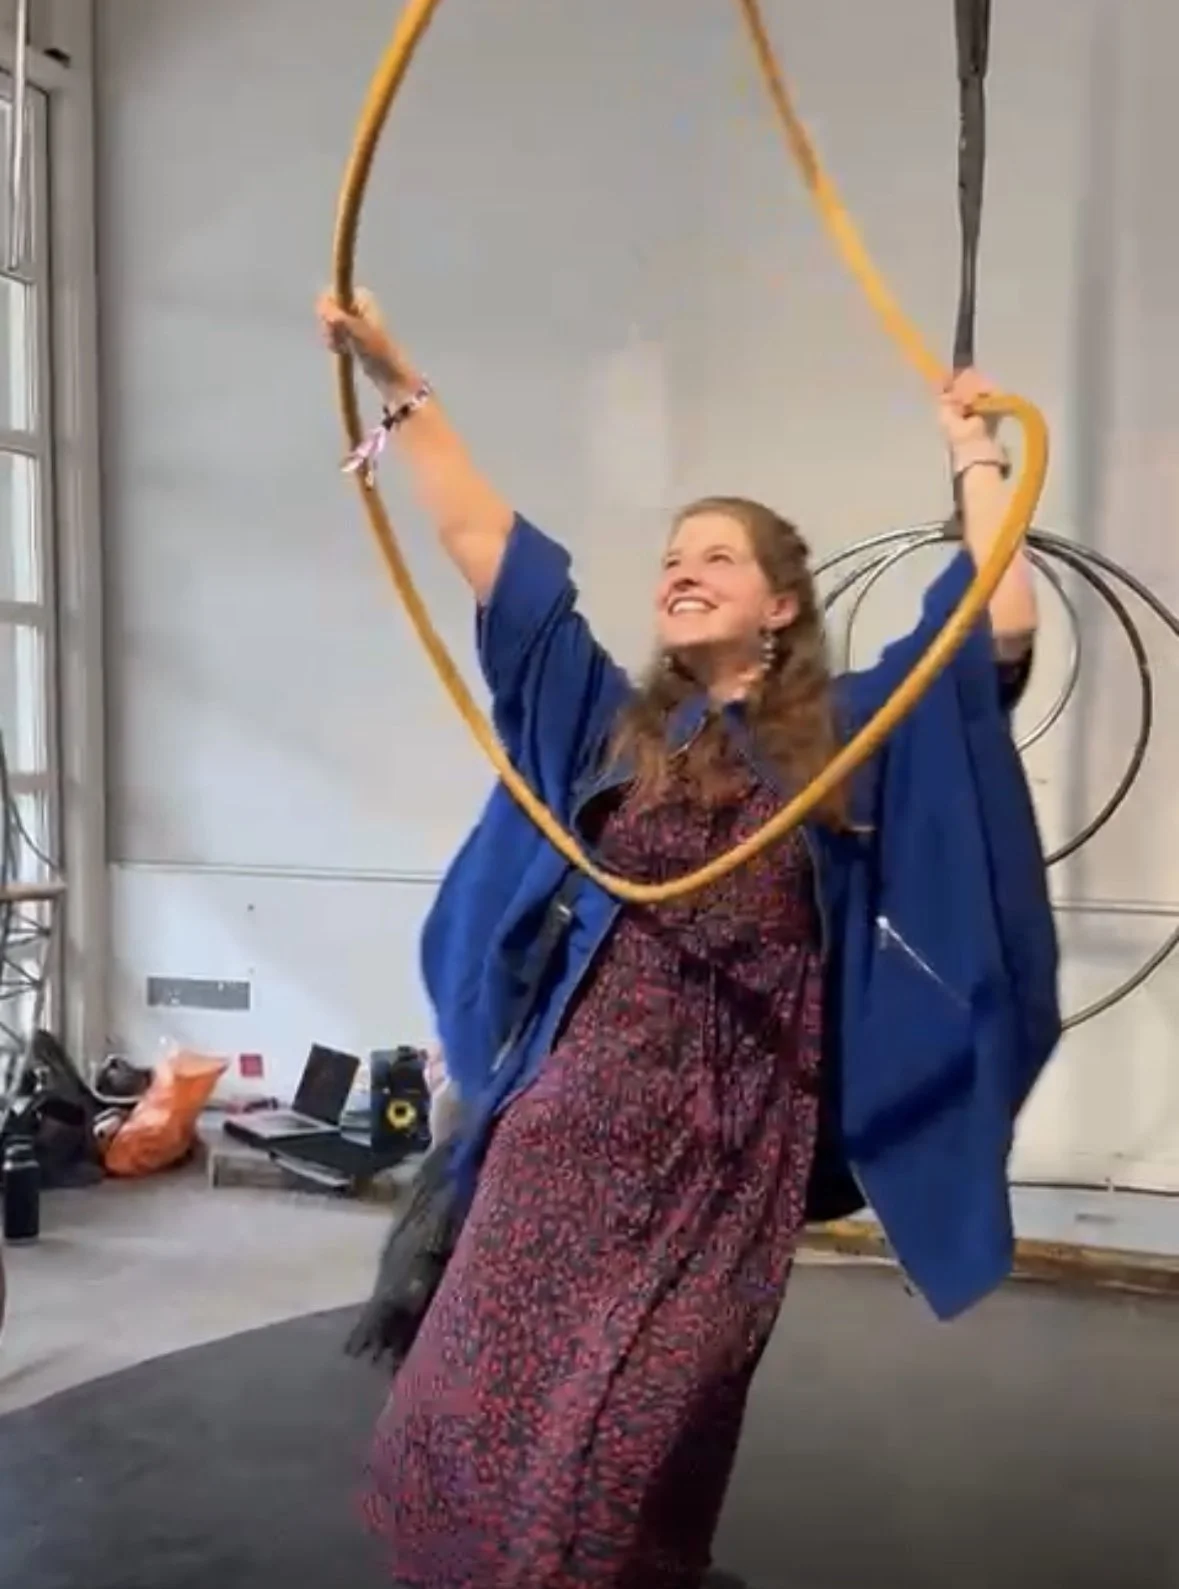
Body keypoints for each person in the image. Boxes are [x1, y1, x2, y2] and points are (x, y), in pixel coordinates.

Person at [317, 289, 1060, 1589]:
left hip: (723, 1158)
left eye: (715, 555)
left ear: (779, 605)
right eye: (672, 553)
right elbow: (495, 554)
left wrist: (973, 451)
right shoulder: (608, 732)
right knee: (472, 1423)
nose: (681, 567)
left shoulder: (843, 735)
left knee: (626, 1452)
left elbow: (992, 626)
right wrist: (402, 386)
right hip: (563, 1138)